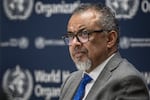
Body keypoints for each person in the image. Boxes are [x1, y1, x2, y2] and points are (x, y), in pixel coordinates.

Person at [60, 3, 150, 100]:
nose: (74, 43)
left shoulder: (128, 82)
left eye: (84, 34)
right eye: (70, 36)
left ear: (110, 39)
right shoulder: (71, 81)